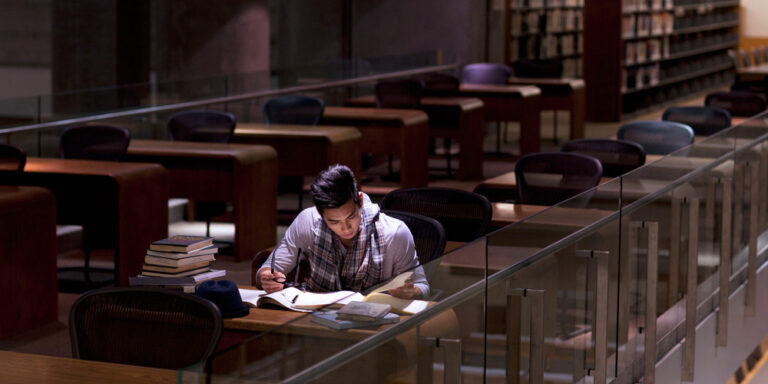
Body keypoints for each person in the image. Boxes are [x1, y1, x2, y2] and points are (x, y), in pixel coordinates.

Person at [257, 164, 429, 299]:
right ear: (319, 213)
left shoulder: (394, 232)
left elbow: (423, 285)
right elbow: (268, 269)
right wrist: (266, 278)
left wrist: (412, 291)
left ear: (360, 200)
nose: (345, 228)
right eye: (334, 221)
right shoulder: (308, 221)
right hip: (317, 315)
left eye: (351, 216)